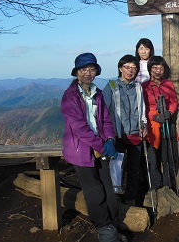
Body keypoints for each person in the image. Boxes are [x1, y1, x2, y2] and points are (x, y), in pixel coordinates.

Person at [61, 52, 125, 242]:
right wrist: (102, 145)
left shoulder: (97, 93)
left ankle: (111, 224)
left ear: (96, 71)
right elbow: (79, 127)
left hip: (102, 146)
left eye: (91, 69)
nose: (88, 73)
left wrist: (111, 140)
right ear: (77, 72)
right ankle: (104, 229)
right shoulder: (69, 96)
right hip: (81, 149)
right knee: (94, 190)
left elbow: (105, 119)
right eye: (83, 69)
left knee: (109, 189)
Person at [103, 54, 148, 206]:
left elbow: (142, 109)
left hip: (136, 133)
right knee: (116, 168)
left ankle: (130, 199)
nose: (130, 71)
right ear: (120, 68)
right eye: (127, 67)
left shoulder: (137, 87)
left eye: (134, 68)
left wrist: (144, 125)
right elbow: (104, 111)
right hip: (118, 134)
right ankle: (115, 198)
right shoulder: (111, 86)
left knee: (134, 169)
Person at [142, 55, 178, 189]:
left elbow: (174, 101)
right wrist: (154, 116)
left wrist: (170, 112)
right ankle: (156, 187)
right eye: (155, 68)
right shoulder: (144, 86)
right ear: (149, 69)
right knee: (153, 160)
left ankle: (169, 185)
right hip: (152, 128)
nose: (158, 71)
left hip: (167, 125)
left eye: (161, 68)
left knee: (168, 157)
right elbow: (143, 107)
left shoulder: (168, 84)